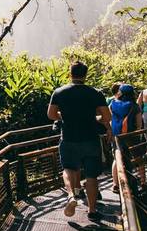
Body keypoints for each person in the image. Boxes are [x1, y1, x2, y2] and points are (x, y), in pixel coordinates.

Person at [47, 61, 112, 222]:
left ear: (70, 73)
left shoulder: (59, 92)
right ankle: (92, 210)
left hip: (69, 138)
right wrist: (94, 118)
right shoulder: (95, 93)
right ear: (85, 74)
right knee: (91, 175)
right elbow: (107, 117)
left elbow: (51, 115)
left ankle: (71, 196)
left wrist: (65, 116)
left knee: (68, 168)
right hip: (90, 139)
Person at [109, 84, 142, 193]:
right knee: (138, 156)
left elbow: (111, 119)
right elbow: (139, 125)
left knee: (117, 158)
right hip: (131, 135)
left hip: (117, 135)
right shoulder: (134, 106)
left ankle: (115, 184)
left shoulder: (112, 104)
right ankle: (143, 180)